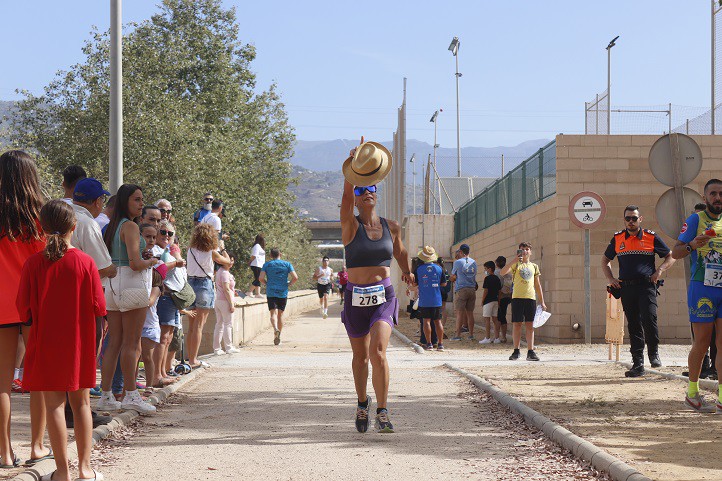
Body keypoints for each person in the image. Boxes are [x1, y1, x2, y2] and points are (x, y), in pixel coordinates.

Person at [17, 200, 106, 481]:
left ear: (42, 228)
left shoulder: (33, 263)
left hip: (46, 342)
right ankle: (85, 468)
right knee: (81, 405)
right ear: (74, 227)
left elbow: (23, 308)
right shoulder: (85, 262)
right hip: (78, 343)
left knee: (54, 405)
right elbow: (99, 307)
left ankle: (63, 472)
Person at [341, 137, 413, 434]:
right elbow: (345, 201)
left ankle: (383, 410)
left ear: (376, 193)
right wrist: (353, 171)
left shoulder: (391, 226)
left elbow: (401, 251)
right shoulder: (350, 225)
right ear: (356, 196)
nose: (366, 193)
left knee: (379, 352)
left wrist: (408, 272)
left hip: (383, 295)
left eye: (371, 188)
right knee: (360, 356)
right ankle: (362, 403)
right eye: (361, 190)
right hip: (355, 297)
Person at [0, 150, 51, 469]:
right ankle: (36, 446)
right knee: (39, 379)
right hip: (36, 303)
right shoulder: (42, 216)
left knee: (2, 382)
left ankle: (4, 453)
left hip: (2, 305)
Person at [99, 184, 158, 414]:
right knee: (132, 343)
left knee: (114, 341)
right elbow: (135, 263)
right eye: (137, 199)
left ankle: (106, 394)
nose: (141, 203)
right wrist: (152, 262)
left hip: (112, 286)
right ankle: (131, 395)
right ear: (126, 202)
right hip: (132, 284)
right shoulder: (131, 226)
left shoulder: (112, 227)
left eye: (142, 199)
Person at [602, 205, 674, 377]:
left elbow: (670, 256)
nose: (631, 221)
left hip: (646, 286)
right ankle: (638, 364)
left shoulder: (651, 237)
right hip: (627, 288)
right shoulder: (618, 238)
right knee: (633, 324)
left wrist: (660, 271)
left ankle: (653, 353)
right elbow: (605, 260)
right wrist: (611, 279)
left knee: (649, 319)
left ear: (640, 219)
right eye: (628, 218)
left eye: (634, 218)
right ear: (624, 220)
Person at [70, 177, 118, 428]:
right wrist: (114, 268)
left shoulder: (62, 215)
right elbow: (103, 265)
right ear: (97, 201)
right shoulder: (87, 223)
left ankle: (70, 411)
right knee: (87, 355)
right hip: (86, 296)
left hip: (60, 297)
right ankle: (81, 411)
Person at [672, 179, 722, 413]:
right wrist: (692, 244)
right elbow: (675, 251)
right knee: (702, 343)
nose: (717, 198)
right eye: (713, 194)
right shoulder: (696, 220)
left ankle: (721, 396)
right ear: (705, 198)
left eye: (721, 194)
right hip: (702, 287)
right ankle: (692, 393)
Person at [186, 223, 231, 368]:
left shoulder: (190, 250)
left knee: (191, 326)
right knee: (199, 326)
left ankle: (190, 359)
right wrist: (222, 247)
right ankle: (194, 360)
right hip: (204, 285)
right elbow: (228, 262)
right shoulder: (212, 252)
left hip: (190, 284)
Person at [154, 219, 192, 380]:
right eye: (163, 232)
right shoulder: (156, 250)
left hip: (172, 298)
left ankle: (163, 371)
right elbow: (158, 268)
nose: (166, 236)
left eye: (170, 233)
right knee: (163, 338)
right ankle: (157, 374)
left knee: (168, 338)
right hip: (165, 297)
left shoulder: (168, 250)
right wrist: (175, 262)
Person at [501, 242, 547, 361]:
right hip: (517, 298)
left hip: (530, 298)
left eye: (527, 249)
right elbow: (502, 272)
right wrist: (514, 260)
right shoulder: (515, 265)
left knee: (530, 325)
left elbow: (537, 284)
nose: (525, 251)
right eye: (522, 249)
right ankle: (516, 350)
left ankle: (530, 351)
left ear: (530, 252)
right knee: (517, 324)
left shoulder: (534, 266)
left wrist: (542, 301)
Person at [260, 248, 298, 345]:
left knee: (273, 313)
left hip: (271, 291)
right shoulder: (287, 264)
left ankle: (275, 329)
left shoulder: (267, 265)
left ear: (271, 255)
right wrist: (289, 284)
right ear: (280, 254)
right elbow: (295, 277)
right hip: (282, 292)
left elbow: (260, 278)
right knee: (280, 314)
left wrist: (266, 283)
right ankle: (278, 336)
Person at [415, 246, 446, 351]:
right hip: (437, 299)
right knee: (438, 321)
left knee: (426, 321)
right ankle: (440, 344)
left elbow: (415, 283)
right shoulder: (439, 269)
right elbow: (444, 283)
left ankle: (429, 344)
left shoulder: (418, 269)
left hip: (424, 300)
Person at [213, 252, 240, 355]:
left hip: (219, 300)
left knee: (219, 324)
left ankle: (217, 349)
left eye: (232, 260)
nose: (231, 262)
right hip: (225, 301)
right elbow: (226, 289)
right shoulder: (224, 273)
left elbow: (227, 288)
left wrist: (234, 292)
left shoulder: (220, 271)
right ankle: (228, 347)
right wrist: (231, 304)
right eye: (229, 260)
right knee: (228, 324)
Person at [450, 244, 477, 340]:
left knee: (460, 313)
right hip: (472, 289)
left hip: (461, 289)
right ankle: (471, 334)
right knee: (470, 313)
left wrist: (453, 278)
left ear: (461, 252)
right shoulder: (474, 262)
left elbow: (453, 276)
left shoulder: (458, 262)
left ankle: (457, 335)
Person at [479, 261, 502, 344]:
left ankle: (487, 338)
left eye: (485, 269)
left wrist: (482, 301)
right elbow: (499, 291)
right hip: (495, 301)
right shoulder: (497, 278)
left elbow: (486, 291)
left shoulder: (487, 278)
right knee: (495, 319)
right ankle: (497, 338)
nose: (485, 270)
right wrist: (498, 301)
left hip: (488, 301)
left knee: (487, 320)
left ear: (489, 269)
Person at [495, 256, 511, 343]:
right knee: (503, 316)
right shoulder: (508, 272)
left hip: (500, 297)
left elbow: (497, 287)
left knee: (498, 317)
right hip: (508, 296)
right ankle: (504, 336)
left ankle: (497, 336)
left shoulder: (497, 272)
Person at [247, 234, 266, 298]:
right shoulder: (257, 246)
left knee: (258, 279)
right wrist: (250, 262)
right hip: (256, 264)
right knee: (258, 279)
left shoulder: (259, 247)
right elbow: (254, 255)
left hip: (260, 265)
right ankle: (249, 292)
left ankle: (257, 293)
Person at [437, 257, 451, 327]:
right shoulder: (445, 270)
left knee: (437, 309)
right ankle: (443, 325)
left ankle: (439, 325)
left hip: (438, 291)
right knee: (443, 308)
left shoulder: (438, 270)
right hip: (445, 292)